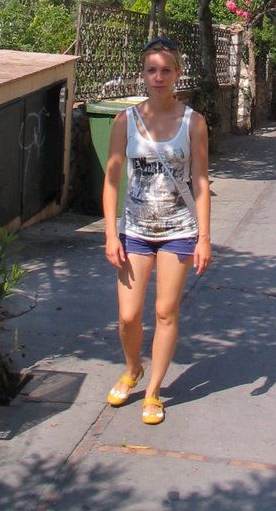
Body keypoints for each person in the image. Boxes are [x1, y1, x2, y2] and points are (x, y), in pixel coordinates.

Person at [103, 37, 211, 426]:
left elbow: (200, 182)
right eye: (152, 70)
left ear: (178, 74)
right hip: (134, 229)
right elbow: (112, 180)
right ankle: (133, 368)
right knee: (129, 316)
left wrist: (203, 237)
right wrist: (110, 235)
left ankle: (153, 393)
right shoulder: (124, 121)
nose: (159, 77)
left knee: (165, 311)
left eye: (166, 70)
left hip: (178, 229)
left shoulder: (193, 123)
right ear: (143, 74)